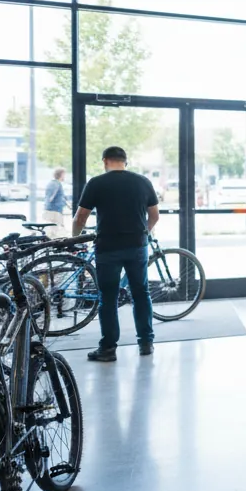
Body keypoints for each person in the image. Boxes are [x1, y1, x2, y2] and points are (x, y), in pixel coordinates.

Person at [72, 147, 160, 362]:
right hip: (137, 246)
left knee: (108, 299)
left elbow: (81, 217)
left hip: (108, 248)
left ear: (105, 161)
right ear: (125, 161)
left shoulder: (97, 183)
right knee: (141, 294)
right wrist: (143, 233)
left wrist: (75, 240)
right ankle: (146, 343)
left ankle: (108, 348)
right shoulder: (142, 182)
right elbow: (155, 215)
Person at [43, 167, 69, 237]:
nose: (64, 176)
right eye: (64, 174)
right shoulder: (56, 184)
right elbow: (51, 197)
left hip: (53, 210)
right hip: (54, 211)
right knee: (56, 231)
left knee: (54, 230)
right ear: (60, 174)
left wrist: (68, 205)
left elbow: (61, 197)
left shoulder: (54, 183)